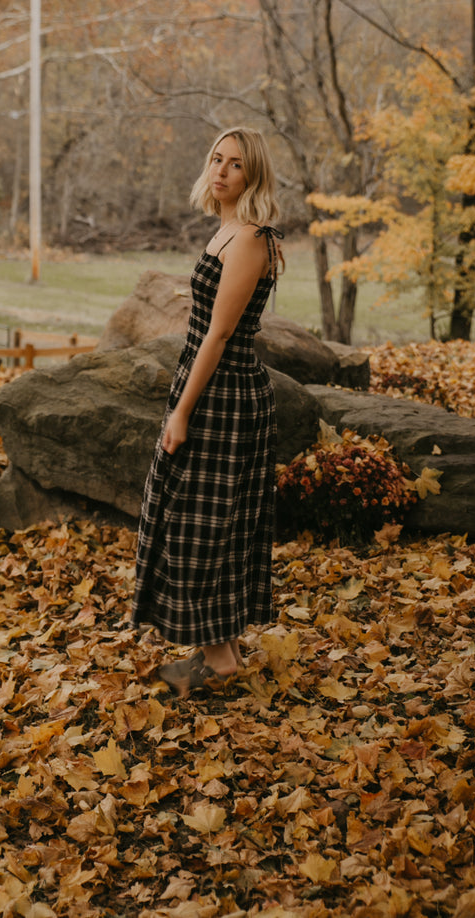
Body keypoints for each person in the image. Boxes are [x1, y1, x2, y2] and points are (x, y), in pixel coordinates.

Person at [132, 126, 283, 696]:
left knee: (204, 524)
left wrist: (181, 412)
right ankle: (220, 648)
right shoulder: (224, 231)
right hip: (207, 386)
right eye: (215, 159)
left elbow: (219, 336)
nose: (220, 171)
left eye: (235, 164)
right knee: (202, 518)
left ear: (253, 175)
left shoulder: (249, 240)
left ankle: (219, 660)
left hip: (226, 395)